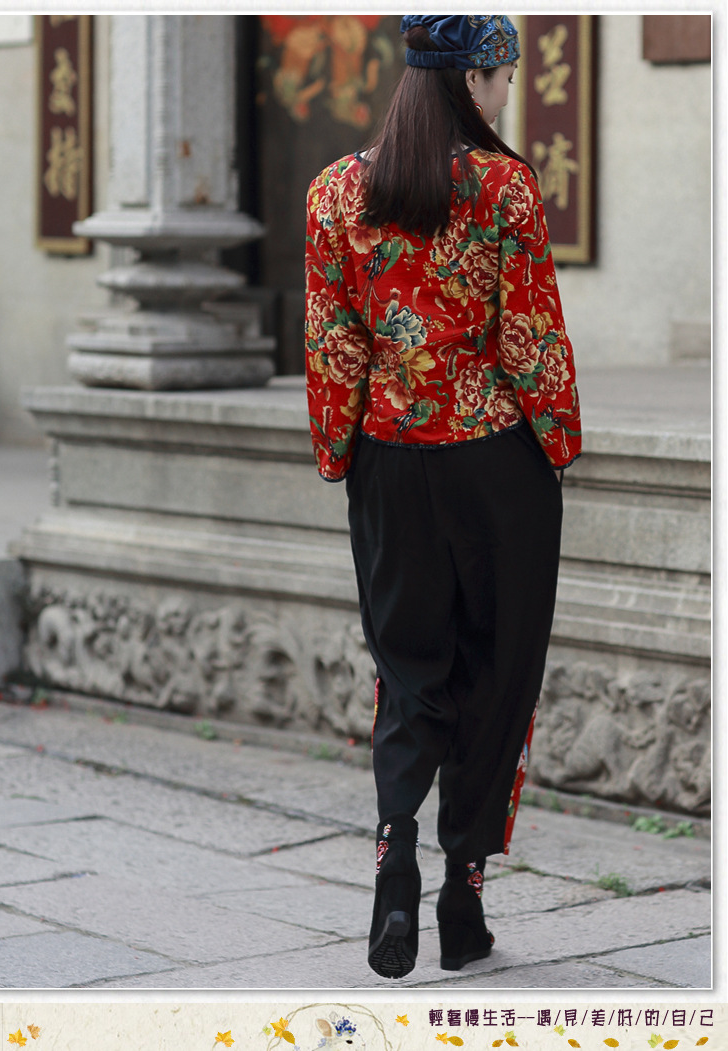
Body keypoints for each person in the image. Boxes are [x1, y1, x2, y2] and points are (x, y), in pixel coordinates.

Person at [305, 14, 581, 980]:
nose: (508, 93)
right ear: (471, 80)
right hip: (497, 466)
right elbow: (530, 337)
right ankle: (464, 893)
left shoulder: (335, 190)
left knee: (408, 664)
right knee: (497, 670)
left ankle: (395, 857)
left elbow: (333, 341)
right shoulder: (504, 186)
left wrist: (340, 452)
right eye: (503, 76)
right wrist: (560, 442)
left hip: (390, 461)